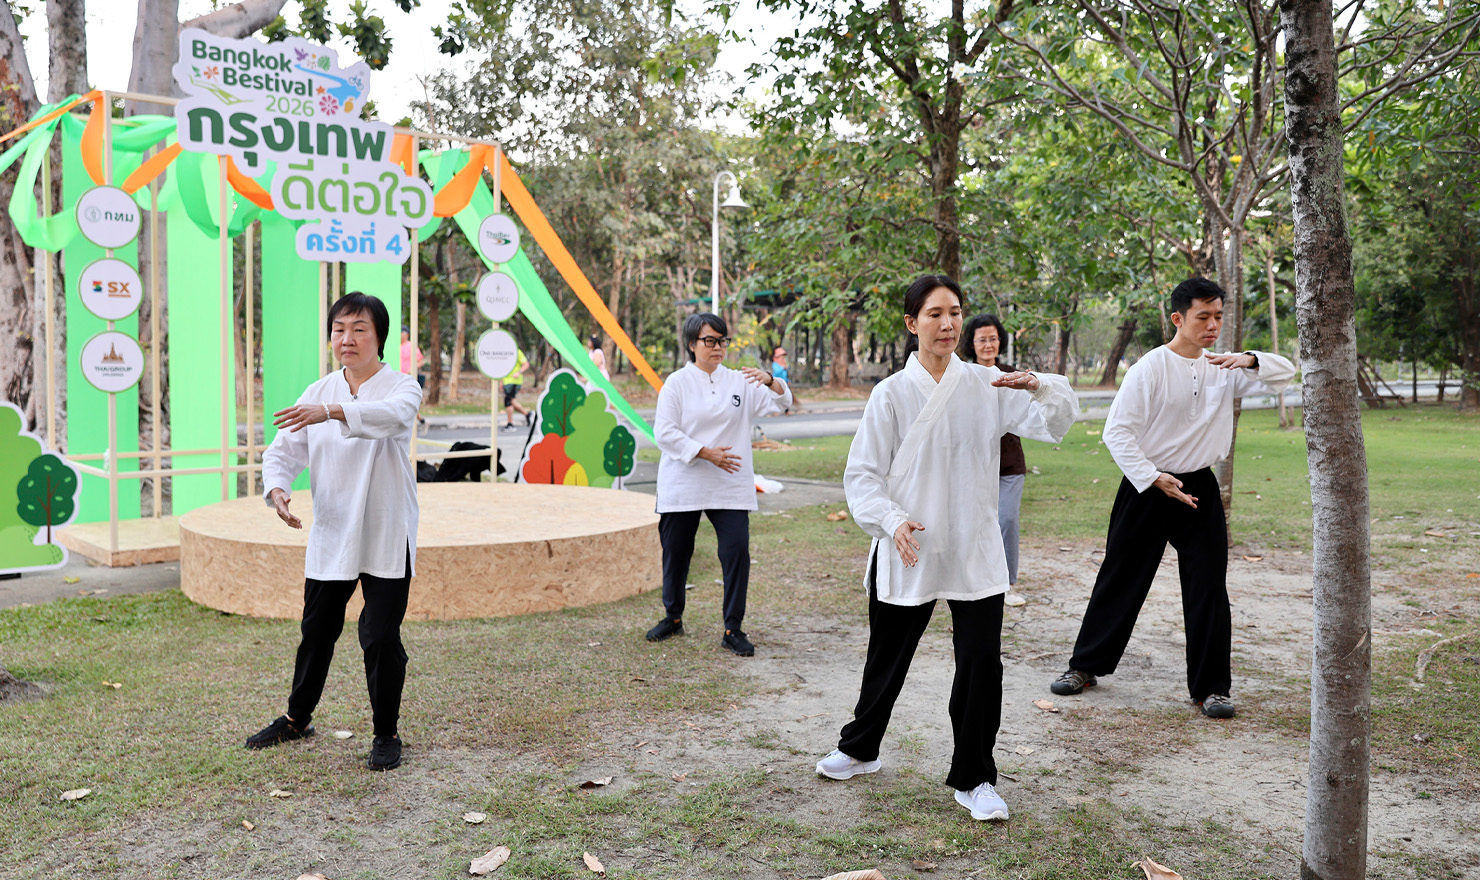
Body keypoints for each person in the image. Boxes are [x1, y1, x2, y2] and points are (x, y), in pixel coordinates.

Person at [816, 275, 1077, 823]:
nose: (948, 323)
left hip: (973, 546)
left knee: (981, 664)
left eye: (955, 312)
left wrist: (1039, 386)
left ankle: (975, 776)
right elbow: (862, 475)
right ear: (912, 324)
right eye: (934, 314)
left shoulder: (987, 385)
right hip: (909, 543)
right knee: (887, 657)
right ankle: (860, 748)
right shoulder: (889, 393)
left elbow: (1055, 425)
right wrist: (891, 521)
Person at [1048, 277, 1295, 720]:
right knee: (1121, 578)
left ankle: (1211, 689)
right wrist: (1151, 476)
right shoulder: (1150, 367)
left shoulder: (1225, 367)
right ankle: (1084, 667)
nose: (1213, 325)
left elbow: (1285, 373)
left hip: (1198, 488)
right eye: (1204, 316)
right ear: (1179, 318)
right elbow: (1116, 433)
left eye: (1219, 316)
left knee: (1208, 587)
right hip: (1147, 486)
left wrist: (1249, 358)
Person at [248, 292, 422, 771]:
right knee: (316, 631)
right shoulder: (316, 390)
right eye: (340, 329)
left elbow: (393, 419)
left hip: (387, 533)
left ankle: (386, 733)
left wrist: (333, 412)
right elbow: (283, 451)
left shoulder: (402, 386)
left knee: (380, 636)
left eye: (359, 329)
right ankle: (296, 718)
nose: (347, 338)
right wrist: (279, 488)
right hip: (332, 531)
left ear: (379, 337)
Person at [645, 312, 793, 657]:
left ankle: (733, 628)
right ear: (691, 345)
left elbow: (782, 403)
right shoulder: (677, 383)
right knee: (677, 553)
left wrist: (770, 380)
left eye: (722, 340)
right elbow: (664, 433)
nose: (717, 347)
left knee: (736, 552)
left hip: (729, 485)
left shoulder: (740, 381)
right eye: (709, 341)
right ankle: (673, 617)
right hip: (684, 483)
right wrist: (705, 453)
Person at [961, 314, 1029, 608]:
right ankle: (971, 581)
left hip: (1009, 465)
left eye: (993, 338)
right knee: (972, 523)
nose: (988, 344)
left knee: (1007, 520)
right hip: (972, 465)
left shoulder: (1012, 376)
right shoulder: (963, 376)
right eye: (981, 339)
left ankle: (1008, 584)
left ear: (1000, 341)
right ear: (971, 343)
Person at [500, 346, 532, 431]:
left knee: (508, 401)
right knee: (512, 402)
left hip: (514, 381)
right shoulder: (504, 353)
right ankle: (527, 414)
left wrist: (519, 372)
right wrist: (501, 382)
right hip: (507, 381)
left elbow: (526, 364)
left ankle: (510, 424)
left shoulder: (517, 352)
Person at [770, 346, 792, 414]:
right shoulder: (775, 365)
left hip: (784, 383)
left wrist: (788, 380)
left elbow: (785, 375)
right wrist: (783, 368)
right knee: (775, 396)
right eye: (781, 357)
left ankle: (787, 410)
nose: (783, 359)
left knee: (786, 396)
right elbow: (777, 372)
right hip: (776, 383)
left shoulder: (783, 364)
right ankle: (774, 410)